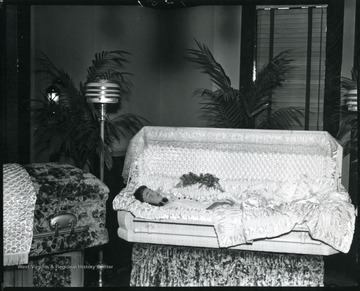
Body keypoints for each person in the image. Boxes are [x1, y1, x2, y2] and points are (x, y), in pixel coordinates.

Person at [133, 185, 234, 210]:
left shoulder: (171, 201)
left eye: (151, 190)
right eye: (149, 195)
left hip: (209, 206)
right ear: (147, 203)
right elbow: (203, 211)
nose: (154, 193)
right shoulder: (171, 207)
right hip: (210, 209)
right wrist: (218, 204)